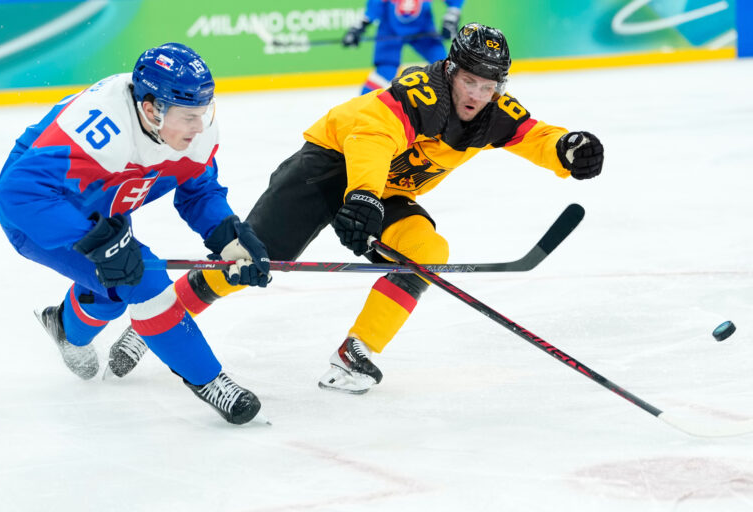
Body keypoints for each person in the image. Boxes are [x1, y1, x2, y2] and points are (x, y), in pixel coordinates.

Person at [107, 23, 604, 396]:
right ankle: (150, 325)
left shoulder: (495, 111)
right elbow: (370, 135)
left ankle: (355, 354)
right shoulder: (421, 93)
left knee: (425, 251)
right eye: (470, 80)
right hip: (328, 167)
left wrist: (566, 149)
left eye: (489, 84)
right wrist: (360, 194)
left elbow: (534, 135)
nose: (478, 94)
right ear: (452, 70)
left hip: (382, 189)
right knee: (252, 261)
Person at [0, 43, 271, 425]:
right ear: (151, 108)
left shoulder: (192, 131)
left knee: (111, 294)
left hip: (105, 206)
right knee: (143, 280)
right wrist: (98, 242)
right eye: (189, 116)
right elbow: (17, 196)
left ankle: (64, 327)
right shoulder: (97, 127)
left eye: (203, 112)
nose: (200, 126)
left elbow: (199, 190)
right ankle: (210, 380)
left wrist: (229, 236)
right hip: (43, 217)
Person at [343, 0, 464, 94]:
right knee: (386, 69)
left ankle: (459, 102)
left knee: (445, 64)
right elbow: (375, 5)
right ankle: (362, 106)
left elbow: (454, 3)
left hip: (423, 30)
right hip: (390, 30)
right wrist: (361, 25)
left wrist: (452, 16)